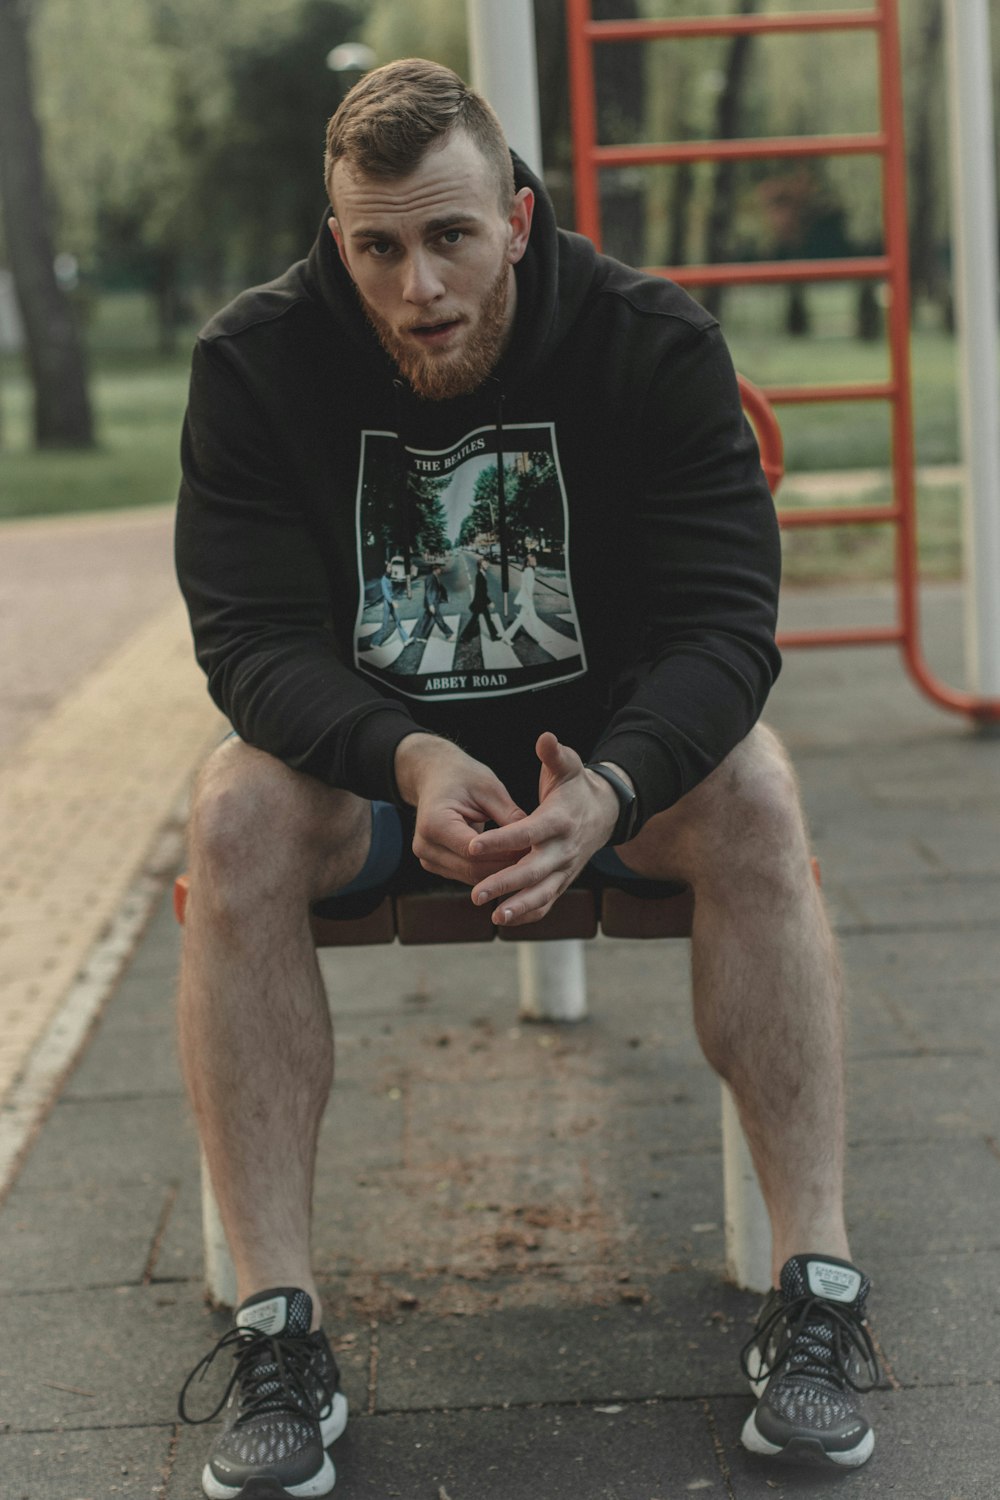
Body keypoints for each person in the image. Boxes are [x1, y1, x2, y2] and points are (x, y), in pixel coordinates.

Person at [173, 58, 879, 1499]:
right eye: (378, 247)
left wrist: (613, 784)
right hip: (374, 783)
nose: (417, 282)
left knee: (755, 788)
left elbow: (727, 630)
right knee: (232, 812)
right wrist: (409, 751)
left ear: (520, 216)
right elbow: (246, 642)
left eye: (452, 237)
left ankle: (817, 1292)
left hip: (613, 767)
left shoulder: (652, 342)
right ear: (338, 238)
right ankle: (278, 1328)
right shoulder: (255, 363)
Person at [461, 553, 501, 642]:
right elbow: (481, 592)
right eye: (485, 564)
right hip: (480, 603)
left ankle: (493, 636)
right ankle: (464, 637)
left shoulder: (481, 575)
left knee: (486, 619)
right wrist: (489, 602)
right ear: (480, 566)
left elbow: (482, 592)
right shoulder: (479, 576)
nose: (487, 565)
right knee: (475, 620)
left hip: (481, 602)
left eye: (487, 564)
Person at [368, 561, 409, 646]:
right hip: (388, 603)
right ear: (385, 569)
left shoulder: (388, 578)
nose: (391, 569)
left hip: (391, 602)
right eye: (389, 567)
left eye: (391, 567)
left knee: (398, 621)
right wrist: (392, 602)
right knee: (385, 625)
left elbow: (391, 590)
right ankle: (374, 643)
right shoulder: (383, 579)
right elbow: (386, 593)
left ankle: (405, 640)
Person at [412, 561, 453, 642]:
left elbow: (440, 588)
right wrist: (431, 604)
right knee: (438, 618)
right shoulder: (430, 578)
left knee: (426, 619)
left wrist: (446, 598)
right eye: (439, 569)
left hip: (433, 602)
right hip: (432, 603)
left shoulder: (435, 577)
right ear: (435, 569)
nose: (441, 570)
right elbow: (429, 592)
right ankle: (448, 634)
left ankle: (421, 636)